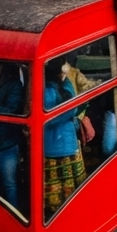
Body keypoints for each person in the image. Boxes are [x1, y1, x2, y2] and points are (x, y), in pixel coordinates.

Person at [43, 63, 89, 217]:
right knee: (71, 188)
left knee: (56, 193)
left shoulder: (57, 86)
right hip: (60, 144)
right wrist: (72, 115)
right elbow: (50, 119)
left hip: (57, 144)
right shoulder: (51, 90)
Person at [0, 64, 27, 210]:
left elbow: (11, 111)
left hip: (7, 145)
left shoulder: (13, 85)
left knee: (10, 185)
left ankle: (13, 215)